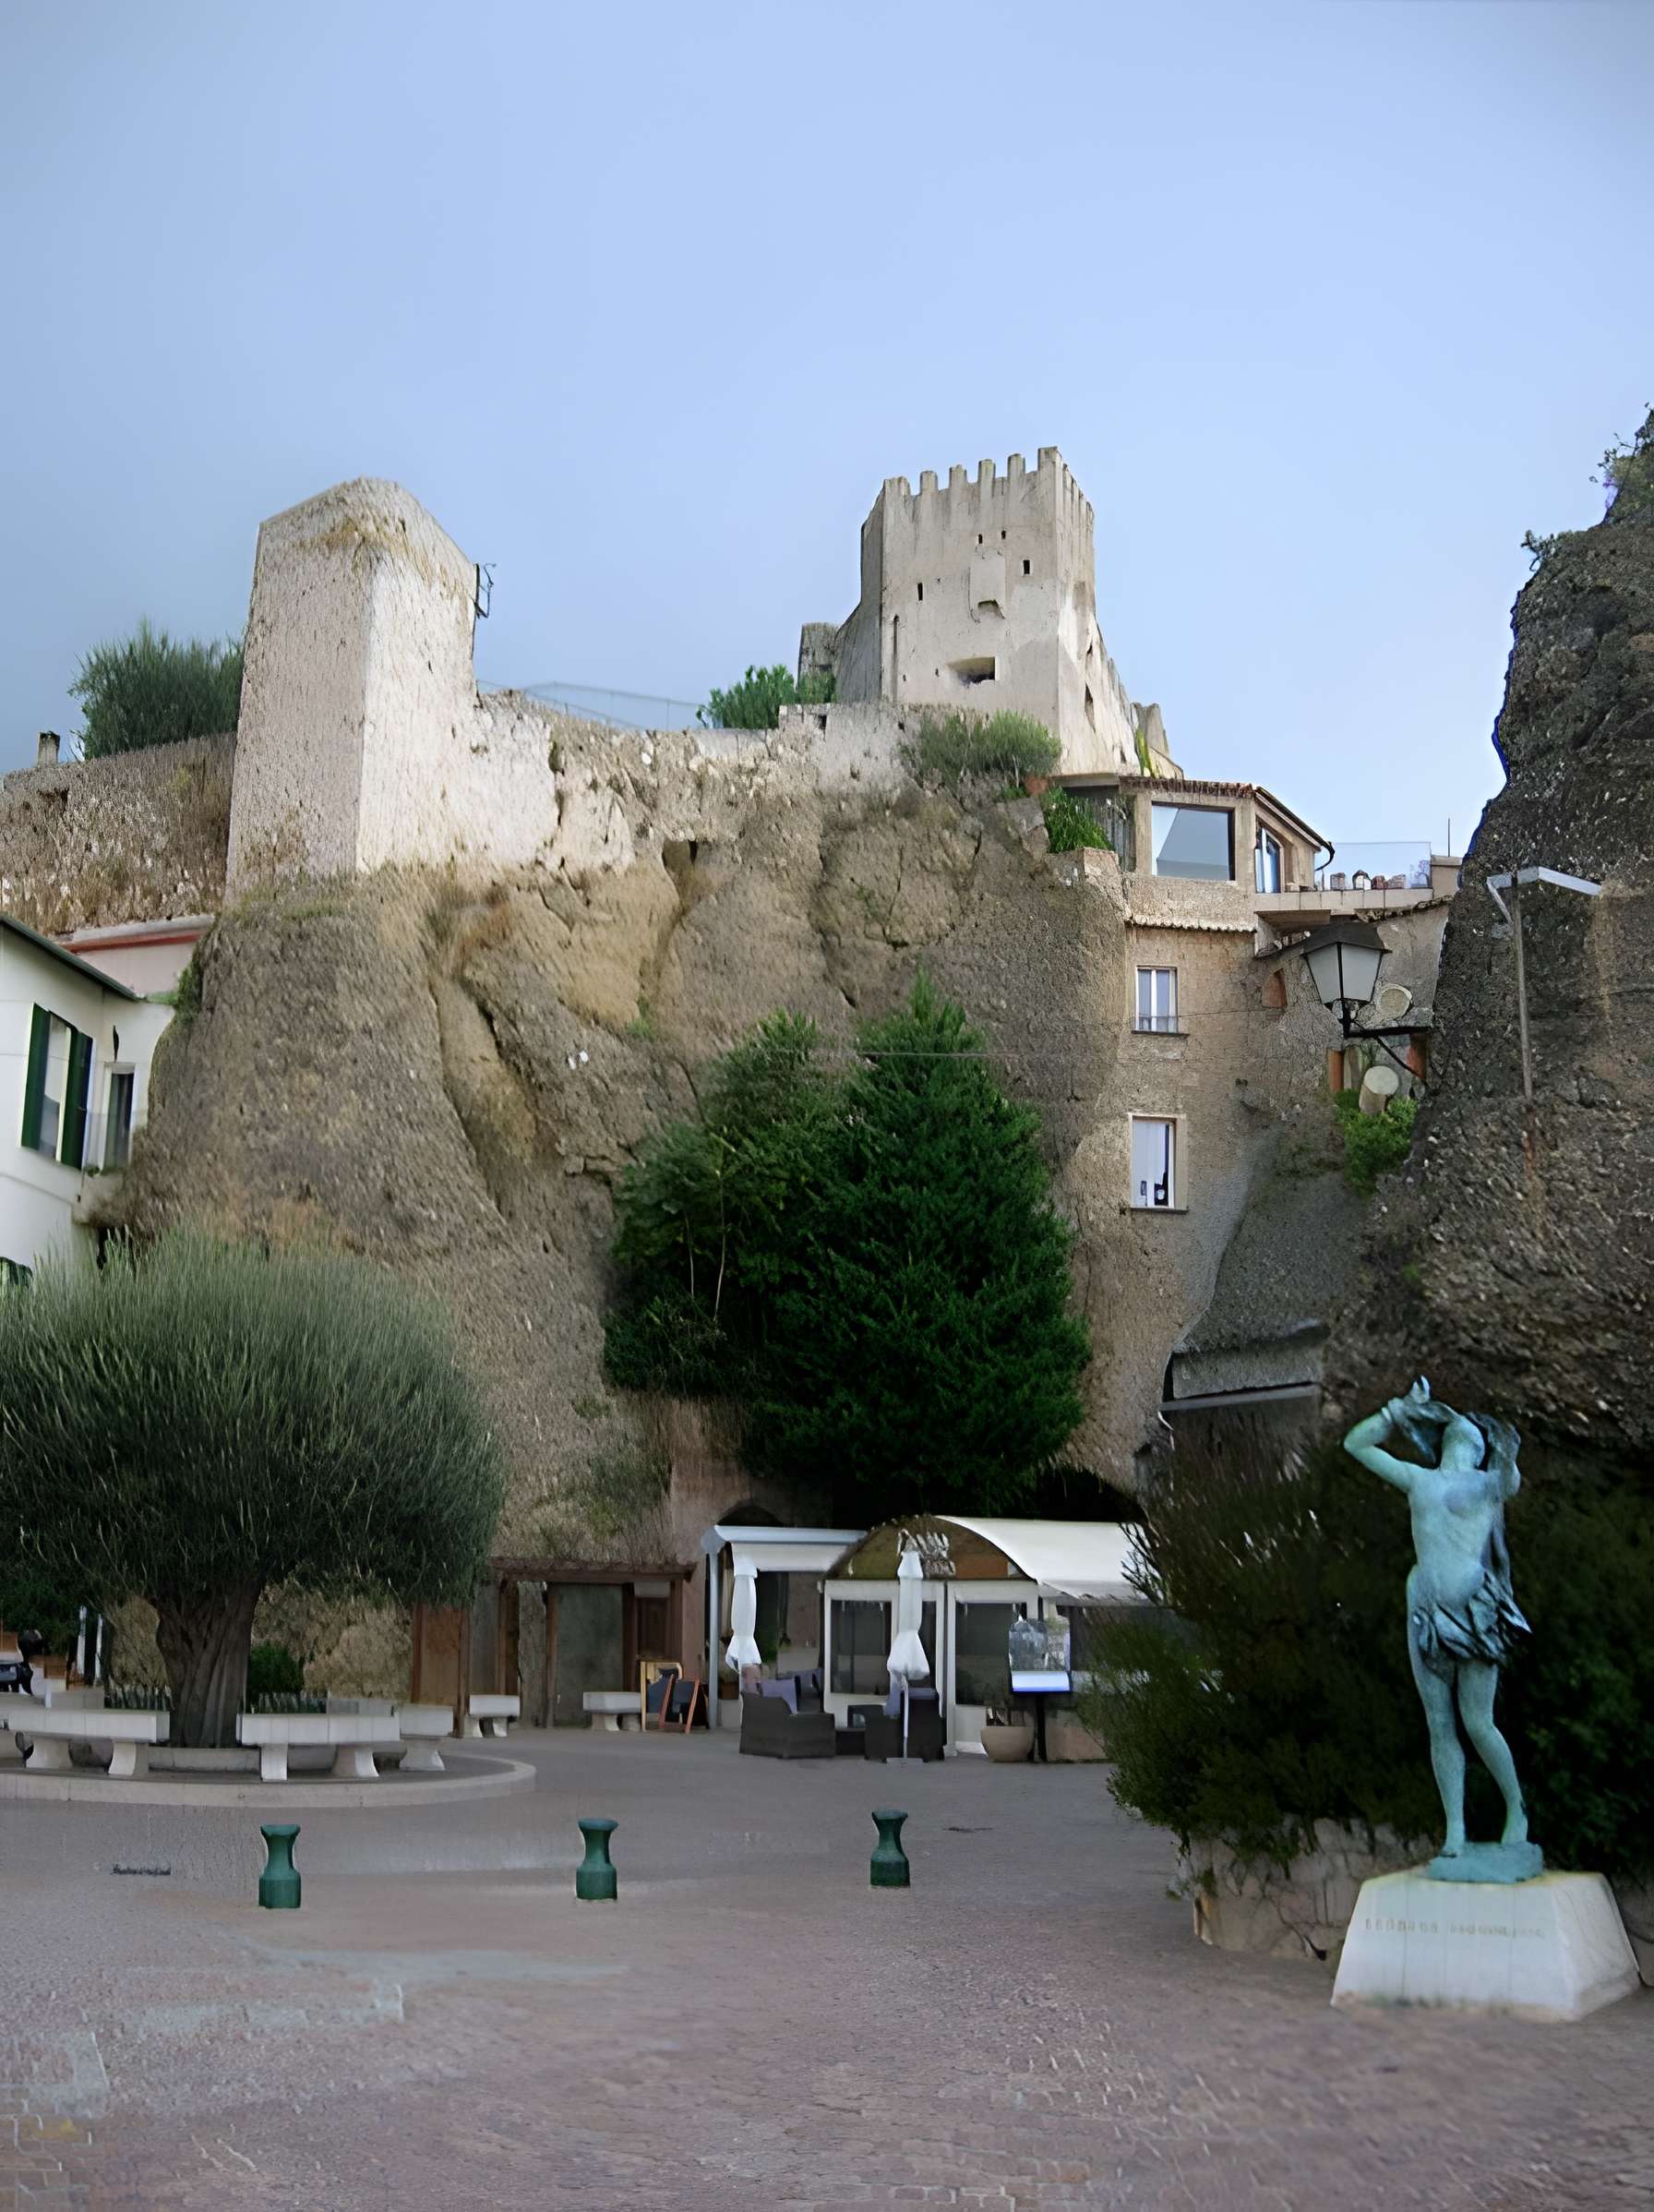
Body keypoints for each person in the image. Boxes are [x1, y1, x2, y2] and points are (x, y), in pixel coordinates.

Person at [1343, 1376, 1530, 1862]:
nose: (1460, 1429)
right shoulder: (1420, 1480)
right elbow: (1356, 1444)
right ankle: (1455, 1829)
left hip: (1475, 1610)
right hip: (1426, 1611)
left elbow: (1510, 1479)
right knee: (1440, 1723)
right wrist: (1397, 1411)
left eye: (1470, 1430)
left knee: (1479, 1721)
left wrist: (1507, 1448)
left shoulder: (1488, 1483)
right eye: (1454, 1427)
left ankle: (1517, 1807)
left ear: (1478, 1445)